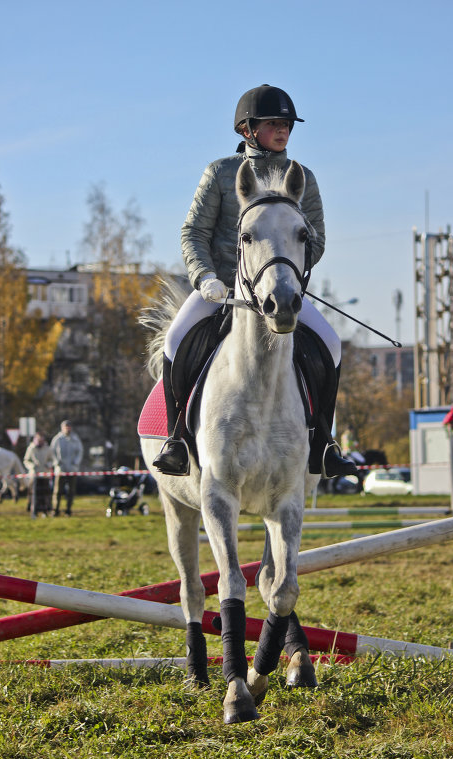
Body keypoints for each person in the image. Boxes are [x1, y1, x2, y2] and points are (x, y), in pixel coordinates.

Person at [152, 84, 357, 480]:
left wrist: (288, 277)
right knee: (175, 342)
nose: (283, 131)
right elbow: (193, 232)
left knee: (331, 344)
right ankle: (176, 438)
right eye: (273, 124)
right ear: (247, 129)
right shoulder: (221, 173)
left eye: (286, 124)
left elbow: (316, 240)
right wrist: (205, 277)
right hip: (222, 290)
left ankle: (323, 444)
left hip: (278, 291)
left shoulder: (302, 178)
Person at [50, 420, 83, 516]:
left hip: (72, 470)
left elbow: (80, 452)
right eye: (66, 427)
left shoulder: (75, 439)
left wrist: (75, 463)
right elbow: (52, 453)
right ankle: (55, 509)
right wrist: (57, 463)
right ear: (62, 428)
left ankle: (68, 509)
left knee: (71, 491)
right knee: (57, 491)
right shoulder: (57, 439)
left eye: (69, 427)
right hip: (60, 470)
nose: (68, 429)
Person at [24, 432, 55, 516]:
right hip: (34, 475)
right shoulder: (31, 448)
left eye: (41, 440)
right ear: (35, 439)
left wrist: (49, 464)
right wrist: (31, 466)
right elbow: (26, 460)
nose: (40, 441)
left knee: (45, 493)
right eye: (38, 439)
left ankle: (46, 510)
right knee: (33, 493)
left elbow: (52, 460)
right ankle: (34, 510)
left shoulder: (48, 449)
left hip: (45, 474)